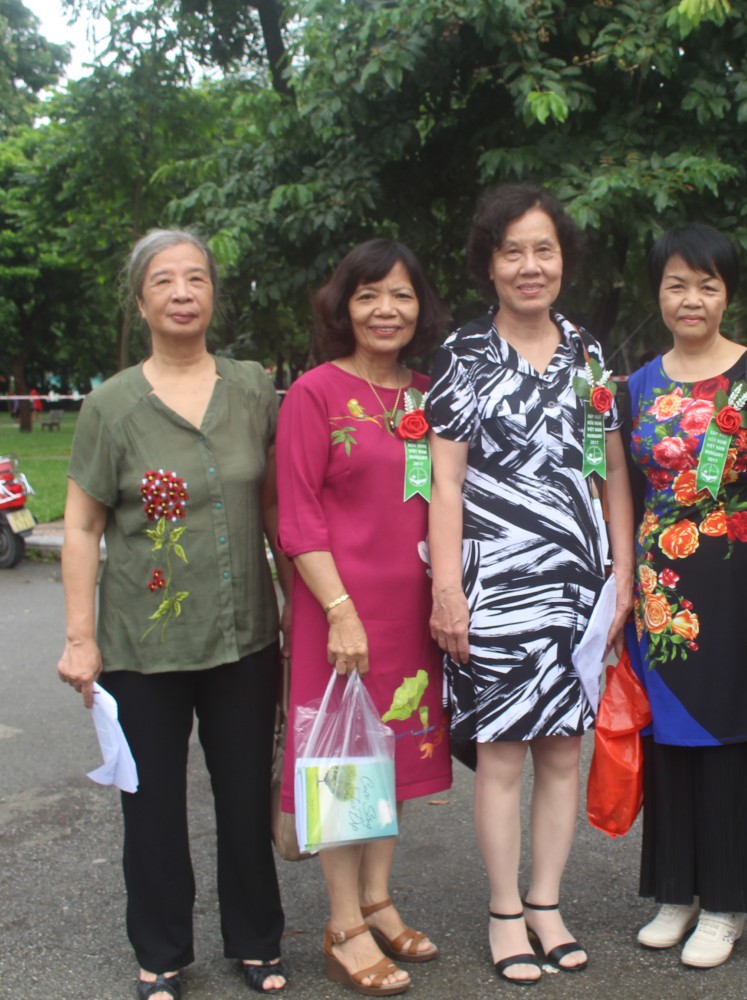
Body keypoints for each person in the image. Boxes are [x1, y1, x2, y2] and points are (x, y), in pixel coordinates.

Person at [57, 230, 289, 1000]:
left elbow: (277, 507)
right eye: (164, 280)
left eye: (196, 278)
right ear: (141, 301)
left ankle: (256, 939)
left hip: (244, 636)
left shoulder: (252, 389)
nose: (182, 292)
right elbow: (82, 525)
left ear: (214, 294)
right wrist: (80, 638)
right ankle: (160, 953)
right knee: (150, 805)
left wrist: (306, 606)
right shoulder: (112, 405)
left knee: (244, 795)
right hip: (142, 644)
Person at [424, 184, 635, 985]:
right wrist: (448, 590)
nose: (529, 265)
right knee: (503, 755)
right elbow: (445, 481)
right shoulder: (463, 354)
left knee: (563, 752)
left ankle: (547, 902)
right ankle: (505, 910)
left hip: (578, 582)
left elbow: (610, 468)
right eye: (511, 251)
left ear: (563, 260)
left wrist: (624, 571)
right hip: (495, 586)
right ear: (489, 264)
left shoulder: (588, 352)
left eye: (543, 249)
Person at [276, 240, 453, 996]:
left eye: (402, 295)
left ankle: (378, 898)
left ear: (421, 308)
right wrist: (339, 610)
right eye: (369, 295)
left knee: (393, 755)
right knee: (343, 766)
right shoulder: (314, 393)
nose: (387, 310)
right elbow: (297, 516)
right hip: (338, 610)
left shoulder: (428, 394)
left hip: (410, 610)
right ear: (343, 306)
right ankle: (344, 924)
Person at [620, 225, 747, 969]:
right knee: (667, 739)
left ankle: (727, 902)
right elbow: (627, 491)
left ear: (728, 294)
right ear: (658, 293)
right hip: (660, 589)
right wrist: (625, 584)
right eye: (676, 285)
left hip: (738, 581)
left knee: (729, 737)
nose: (691, 300)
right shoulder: (636, 385)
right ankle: (677, 890)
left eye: (707, 286)